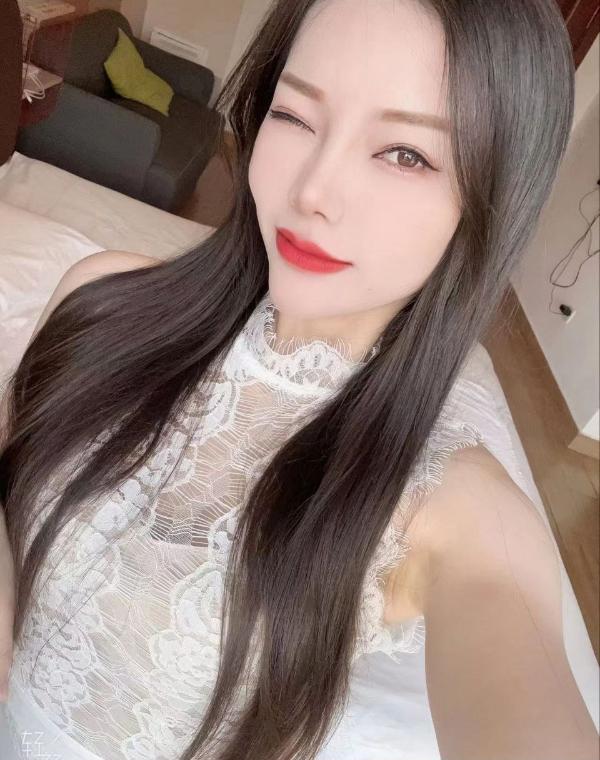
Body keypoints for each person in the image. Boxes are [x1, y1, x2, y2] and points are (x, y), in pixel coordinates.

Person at [0, 0, 597, 758]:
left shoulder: (458, 507)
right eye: (295, 115)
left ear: (491, 202)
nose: (312, 190)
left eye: (405, 154)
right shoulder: (101, 293)